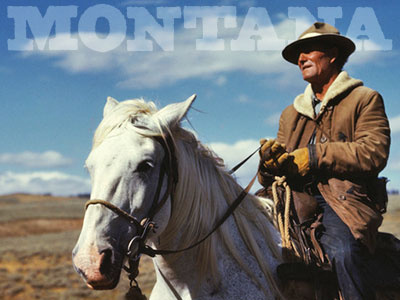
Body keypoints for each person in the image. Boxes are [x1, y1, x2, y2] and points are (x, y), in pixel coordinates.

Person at [257, 22, 391, 300]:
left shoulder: (364, 99)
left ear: (332, 54)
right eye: (298, 55)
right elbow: (274, 172)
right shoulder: (289, 114)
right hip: (292, 200)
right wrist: (269, 164)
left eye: (307, 51)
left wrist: (315, 156)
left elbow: (374, 152)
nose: (300, 59)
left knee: (344, 254)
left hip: (344, 202)